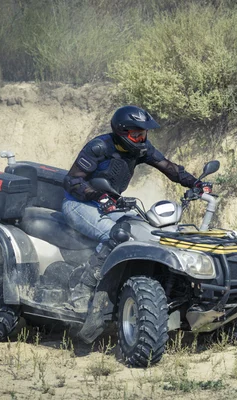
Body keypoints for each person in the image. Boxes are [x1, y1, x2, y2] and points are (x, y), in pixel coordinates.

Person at [61, 105, 211, 313]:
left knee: (146, 232)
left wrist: (195, 183)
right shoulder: (99, 148)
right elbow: (72, 182)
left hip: (110, 204)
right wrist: (99, 195)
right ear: (122, 132)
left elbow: (168, 167)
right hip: (79, 204)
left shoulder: (141, 148)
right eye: (136, 134)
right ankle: (82, 291)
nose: (142, 139)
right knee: (114, 235)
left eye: (144, 134)